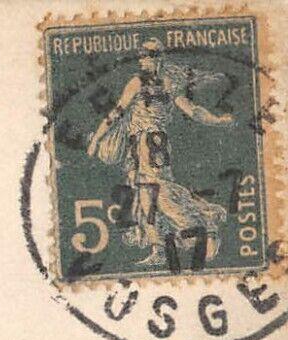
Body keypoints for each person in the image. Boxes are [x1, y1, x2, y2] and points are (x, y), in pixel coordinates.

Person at [86, 39, 234, 266]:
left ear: (158, 57)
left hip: (149, 144)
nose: (144, 59)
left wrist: (217, 120)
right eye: (142, 55)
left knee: (159, 191)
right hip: (143, 145)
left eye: (148, 55)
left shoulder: (148, 83)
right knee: (146, 196)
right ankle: (159, 248)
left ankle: (204, 222)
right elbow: (118, 112)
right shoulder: (158, 83)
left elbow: (191, 111)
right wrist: (217, 120)